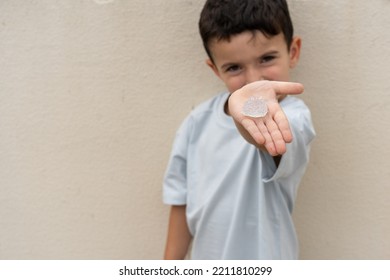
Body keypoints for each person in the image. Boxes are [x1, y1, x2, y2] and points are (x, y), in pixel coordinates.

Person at [163, 0, 315, 260]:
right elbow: (180, 202)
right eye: (234, 67)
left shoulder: (294, 116)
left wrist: (251, 121)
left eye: (266, 59)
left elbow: (272, 142)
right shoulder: (196, 123)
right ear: (215, 69)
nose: (253, 81)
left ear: (293, 51)